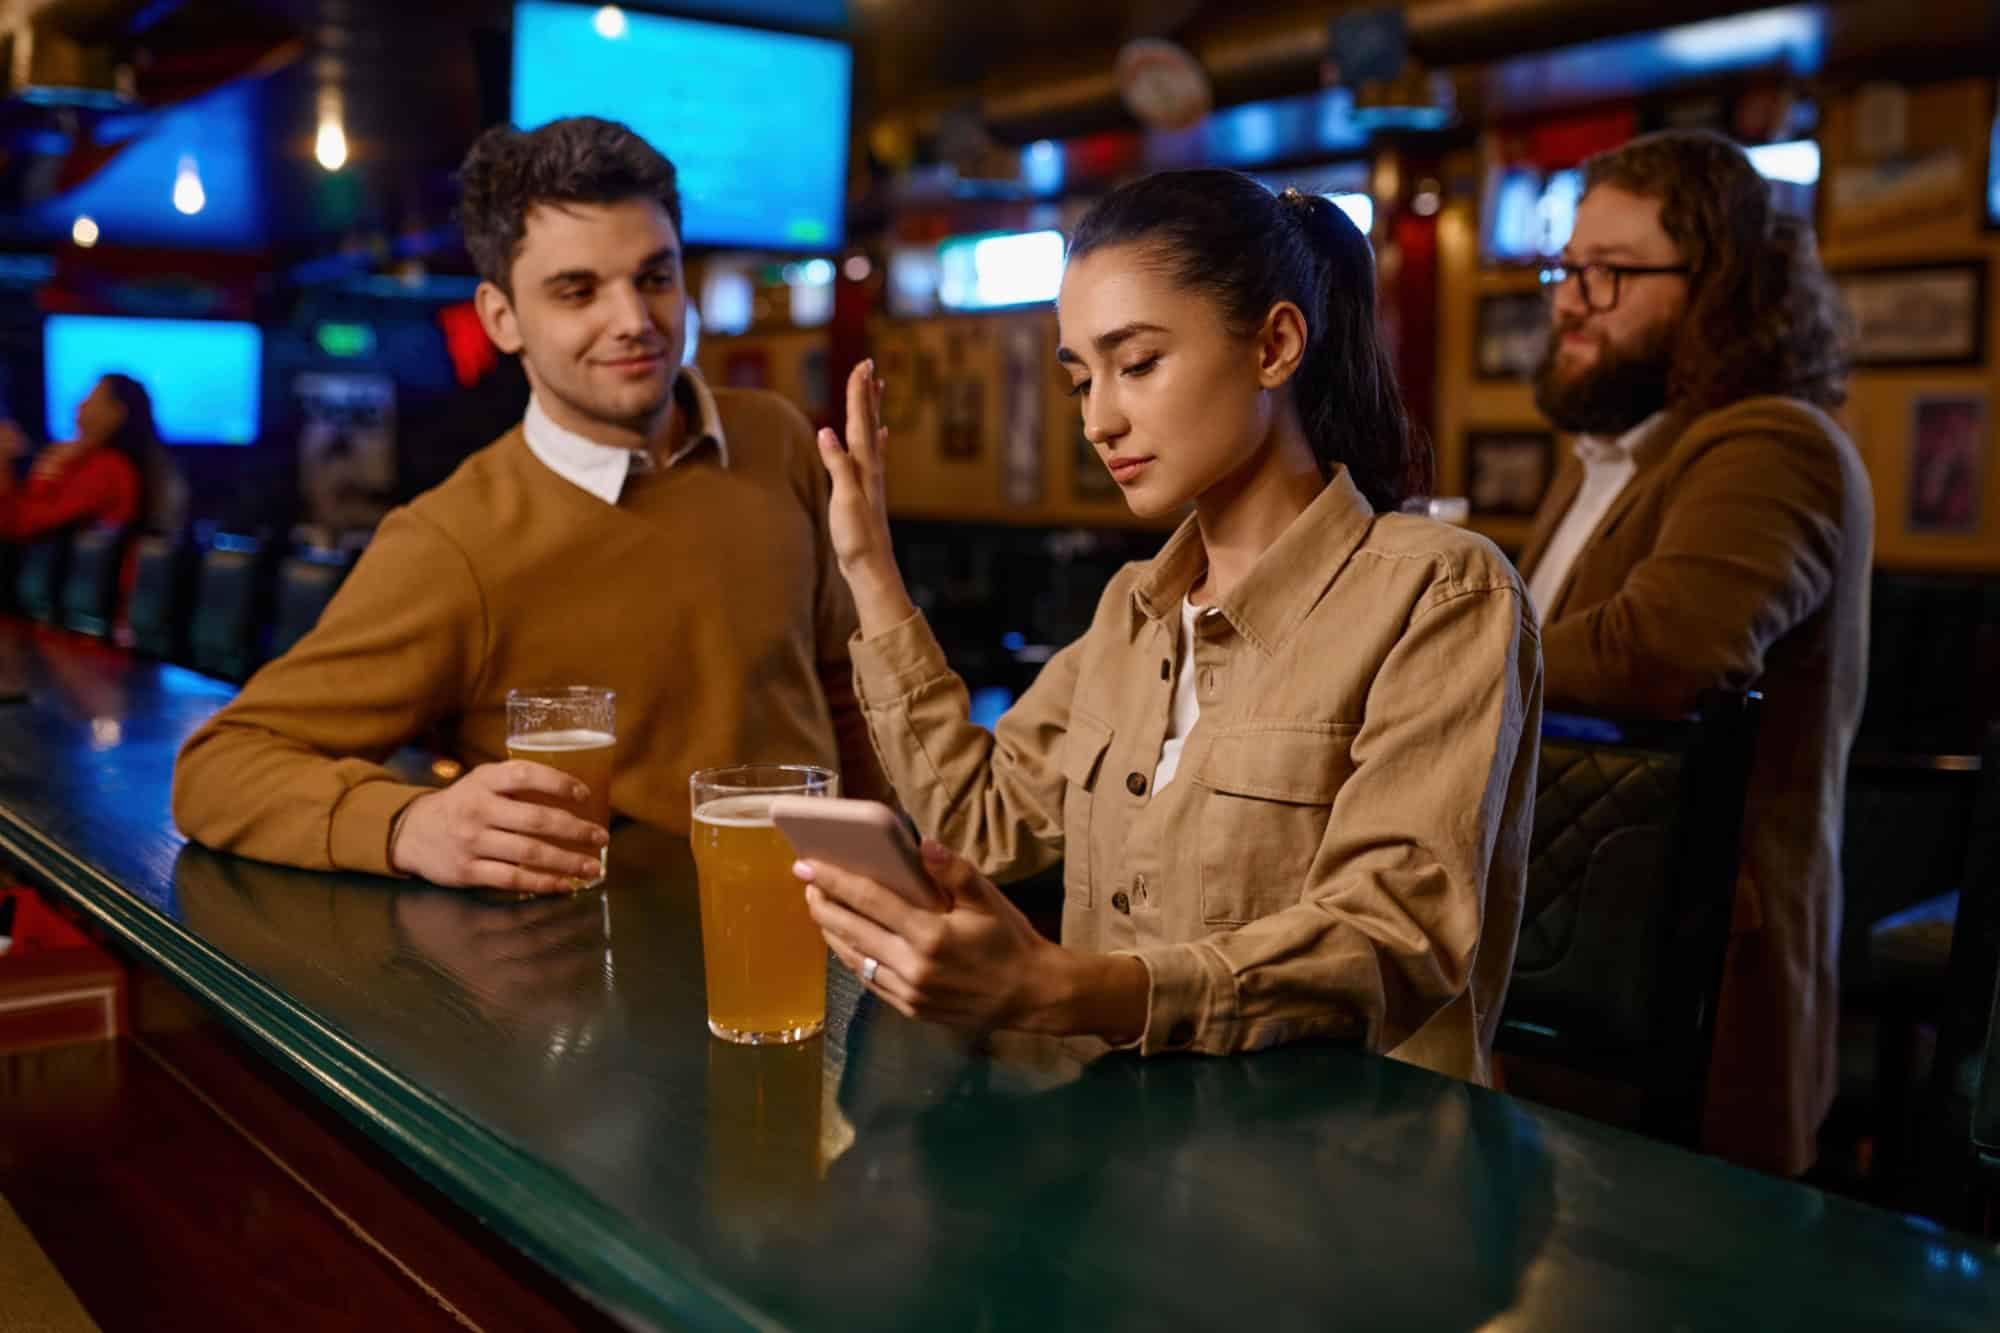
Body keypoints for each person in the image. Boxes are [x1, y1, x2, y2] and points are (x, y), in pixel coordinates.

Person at [795, 170, 1542, 1083]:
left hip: (1339, 1174)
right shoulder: (1132, 608)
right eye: (1080, 382)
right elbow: (979, 820)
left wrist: (1070, 991)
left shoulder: (1442, 592)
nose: (1101, 420)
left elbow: (1389, 936)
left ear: (1274, 344)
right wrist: (872, 569)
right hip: (1114, 1143)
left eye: (1138, 363)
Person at [174, 116, 886, 892]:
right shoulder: (451, 542)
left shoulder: (776, 439)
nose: (634, 322)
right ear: (501, 318)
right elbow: (218, 768)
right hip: (610, 973)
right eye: (578, 291)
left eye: (655, 276)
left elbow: (848, 693)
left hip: (829, 936)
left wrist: (907, 873)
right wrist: (409, 825)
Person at [1517, 129, 1872, 1175]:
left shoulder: (1774, 443)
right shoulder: (1609, 454)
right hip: (1576, 957)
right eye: (1565, 269)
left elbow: (1655, 655)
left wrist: (1417, 645)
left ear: (1721, 286)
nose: (1569, 300)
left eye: (1610, 273)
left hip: (1697, 982)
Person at [0, 373, 187, 541]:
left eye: (91, 398)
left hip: (83, 579)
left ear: (117, 413)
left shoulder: (107, 468)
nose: (79, 405)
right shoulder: (83, 462)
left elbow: (20, 525)